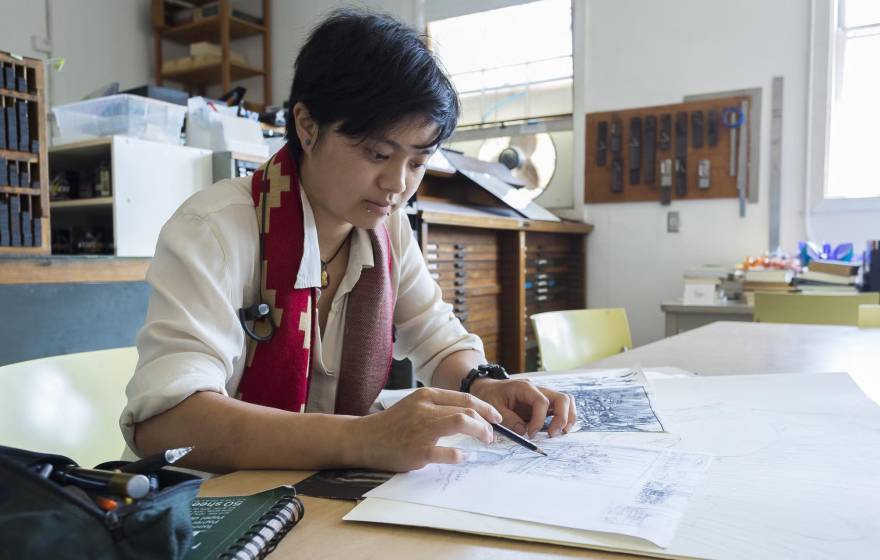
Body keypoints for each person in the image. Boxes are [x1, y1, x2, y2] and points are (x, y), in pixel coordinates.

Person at [121, 8, 576, 473]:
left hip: (317, 496)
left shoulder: (387, 228)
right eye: (378, 153)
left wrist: (482, 383)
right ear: (307, 126)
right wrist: (362, 438)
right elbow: (166, 422)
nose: (397, 184)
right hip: (209, 503)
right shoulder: (214, 229)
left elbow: (436, 336)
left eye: (418, 162)